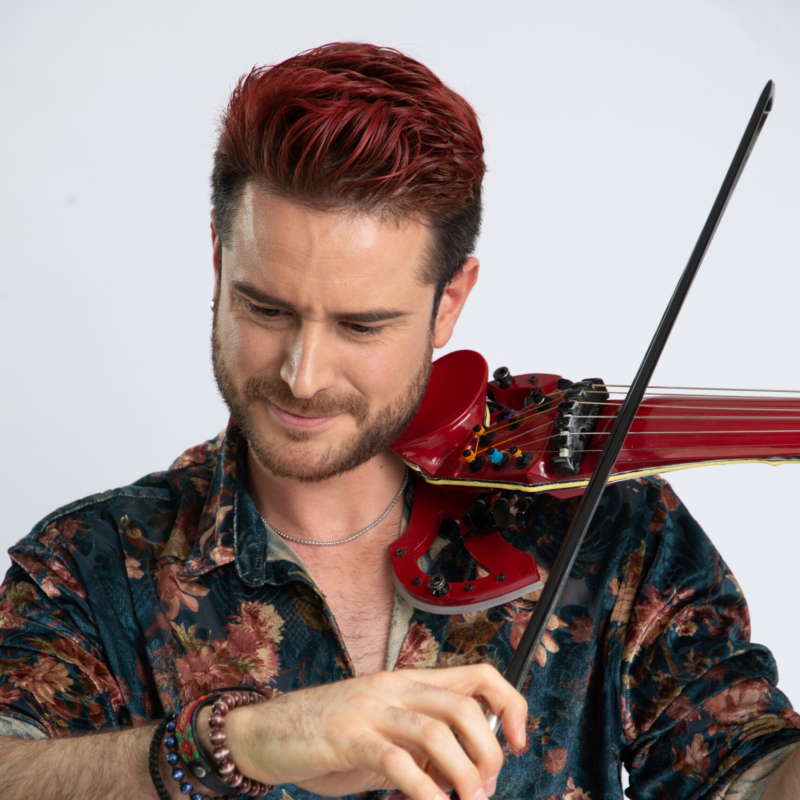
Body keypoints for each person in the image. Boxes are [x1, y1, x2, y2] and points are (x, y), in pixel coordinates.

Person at [1, 42, 799, 800]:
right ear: (218, 261)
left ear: (449, 301)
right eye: (266, 309)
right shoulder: (90, 565)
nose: (302, 375)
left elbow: (750, 773)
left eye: (361, 326)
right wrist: (240, 741)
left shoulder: (610, 528)